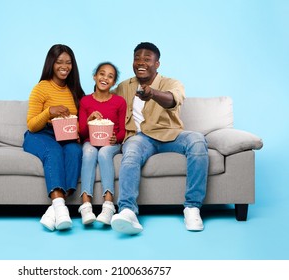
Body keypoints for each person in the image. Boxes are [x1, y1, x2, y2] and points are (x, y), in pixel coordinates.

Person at [110, 42, 209, 234]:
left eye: (147, 59)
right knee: (130, 152)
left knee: (197, 140)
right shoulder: (125, 86)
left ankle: (192, 207)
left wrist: (152, 93)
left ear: (157, 64)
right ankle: (128, 211)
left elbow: (173, 99)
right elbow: (105, 99)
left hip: (170, 134)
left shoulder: (171, 83)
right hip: (140, 138)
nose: (141, 62)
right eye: (137, 58)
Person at [23, 44, 85, 231]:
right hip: (39, 135)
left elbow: (79, 123)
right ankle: (61, 208)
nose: (64, 66)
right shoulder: (41, 88)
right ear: (51, 63)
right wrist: (50, 112)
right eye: (59, 62)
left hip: (65, 136)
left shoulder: (75, 92)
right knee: (53, 151)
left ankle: (53, 211)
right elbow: (32, 124)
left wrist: (79, 130)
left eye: (68, 62)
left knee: (75, 151)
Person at [78, 62, 126, 225]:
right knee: (89, 152)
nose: (105, 78)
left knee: (104, 153)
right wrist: (89, 119)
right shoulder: (85, 102)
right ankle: (85, 206)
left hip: (110, 144)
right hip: (90, 141)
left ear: (113, 83)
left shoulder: (119, 102)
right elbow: (83, 133)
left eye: (110, 76)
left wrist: (116, 139)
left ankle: (108, 205)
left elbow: (122, 131)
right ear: (95, 76)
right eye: (102, 74)